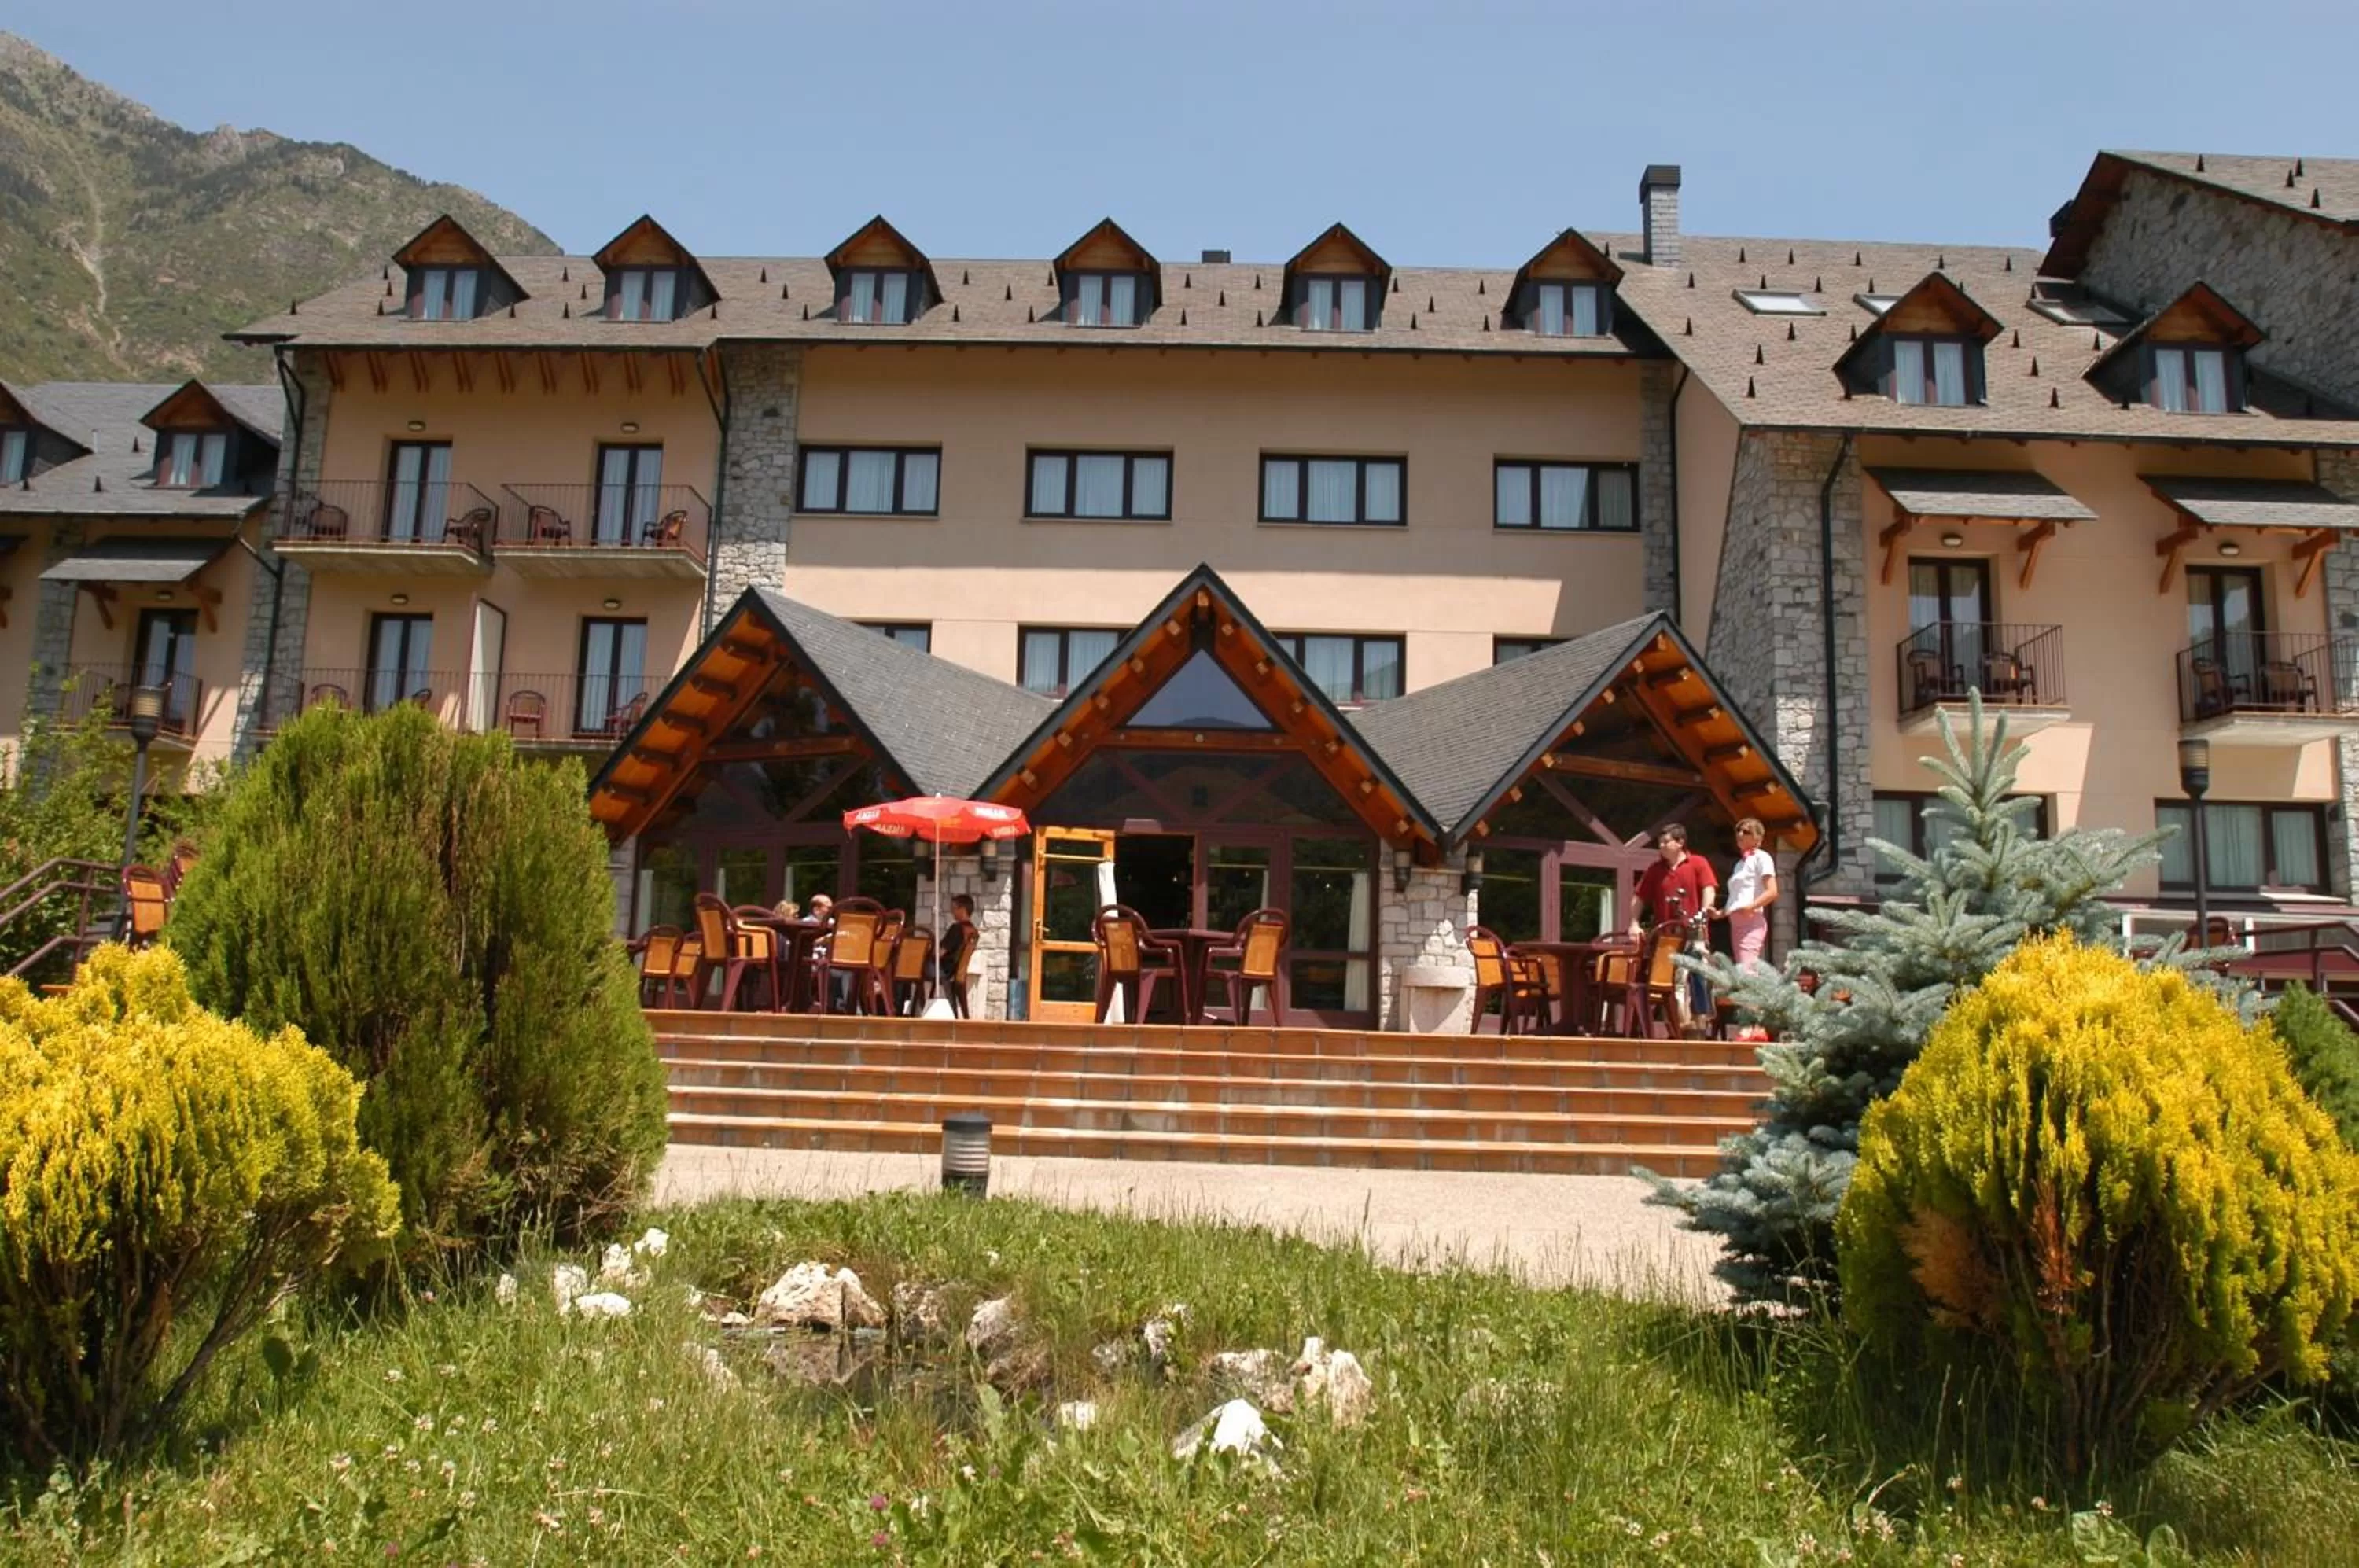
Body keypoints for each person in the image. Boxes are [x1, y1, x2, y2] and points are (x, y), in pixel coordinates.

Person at [1629, 823, 1717, 1031]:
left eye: (1665, 841)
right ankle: (1677, 1026)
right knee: (1672, 982)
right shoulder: (1655, 870)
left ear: (1680, 843)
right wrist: (1633, 923)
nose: (1660, 846)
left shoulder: (1697, 863)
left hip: (1694, 932)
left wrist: (1704, 913)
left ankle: (1700, 1025)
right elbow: (1639, 897)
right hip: (1667, 937)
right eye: (1659, 842)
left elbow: (1709, 889)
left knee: (1699, 977)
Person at [1718, 818, 1779, 970]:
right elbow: (1738, 897)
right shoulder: (1740, 864)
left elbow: (1772, 891)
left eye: (1746, 831)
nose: (1740, 834)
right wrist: (1720, 913)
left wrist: (1750, 907)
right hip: (1736, 923)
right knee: (1742, 967)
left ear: (1758, 838)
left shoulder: (1762, 857)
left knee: (1747, 969)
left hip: (1751, 921)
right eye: (1738, 830)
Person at [937, 893, 977, 996]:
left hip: (943, 970)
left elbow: (939, 953)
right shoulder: (972, 931)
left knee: (909, 969)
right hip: (955, 971)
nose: (952, 912)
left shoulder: (956, 929)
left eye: (954, 908)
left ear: (962, 910)